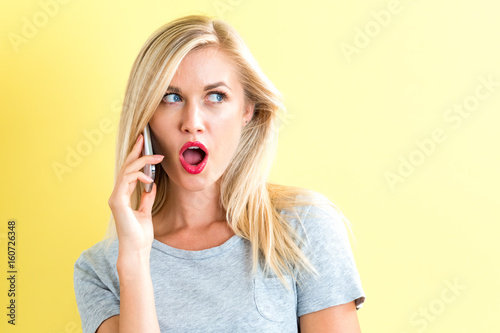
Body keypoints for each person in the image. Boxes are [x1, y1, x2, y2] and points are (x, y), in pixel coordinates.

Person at [73, 14, 366, 333]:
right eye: (171, 97)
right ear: (146, 117)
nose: (193, 121)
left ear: (246, 110)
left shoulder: (304, 229)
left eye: (216, 96)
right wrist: (134, 261)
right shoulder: (99, 271)